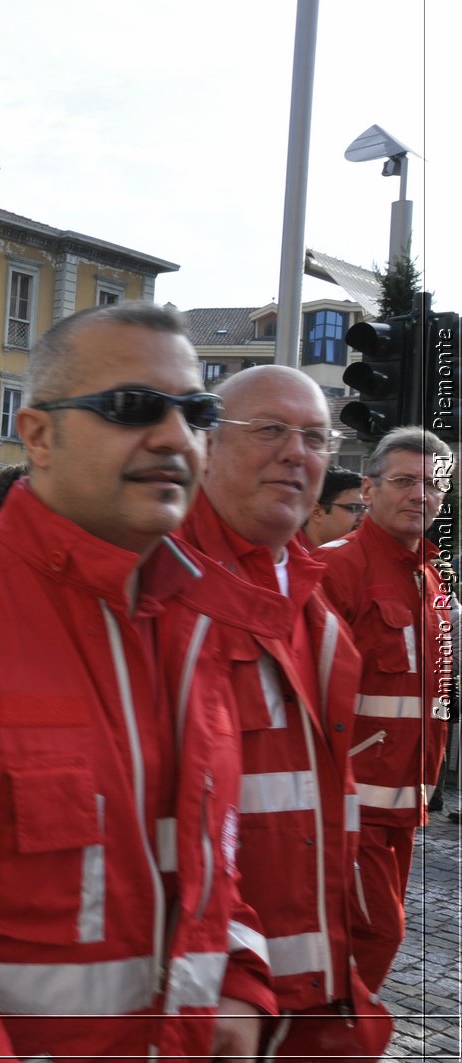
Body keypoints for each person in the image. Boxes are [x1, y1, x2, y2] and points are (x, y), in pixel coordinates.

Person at [0, 302, 269, 1059]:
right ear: (38, 435)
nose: (174, 437)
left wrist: (242, 981)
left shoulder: (200, 622)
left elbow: (210, 855)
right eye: (132, 408)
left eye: (197, 412)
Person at [180, 365, 390, 1059]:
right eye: (270, 430)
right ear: (207, 445)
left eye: (314, 436)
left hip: (311, 983)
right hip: (215, 991)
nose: (296, 452)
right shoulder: (169, 581)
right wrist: (224, 973)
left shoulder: (308, 588)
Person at [316, 426, 454, 992]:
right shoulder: (334, 569)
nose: (418, 495)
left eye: (433, 485)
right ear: (368, 490)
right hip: (350, 807)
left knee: (364, 940)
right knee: (374, 936)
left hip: (403, 807)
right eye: (403, 481)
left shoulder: (430, 580)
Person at [301, 465, 366, 549]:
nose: (364, 517)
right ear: (316, 512)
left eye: (366, 509)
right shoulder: (284, 556)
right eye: (355, 508)